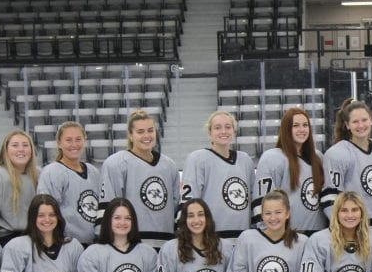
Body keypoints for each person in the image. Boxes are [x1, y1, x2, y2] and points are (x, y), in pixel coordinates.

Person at [99, 109, 180, 249]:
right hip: (131, 243)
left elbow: (175, 204)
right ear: (130, 135)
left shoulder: (169, 165)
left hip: (166, 244)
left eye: (150, 130)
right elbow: (110, 208)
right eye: (140, 132)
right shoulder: (116, 163)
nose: (147, 136)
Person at [320, 99, 372, 240]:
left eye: (364, 120)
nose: (361, 125)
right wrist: (345, 230)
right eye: (355, 122)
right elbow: (330, 198)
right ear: (347, 125)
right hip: (356, 232)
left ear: (371, 121)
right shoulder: (337, 153)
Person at [182, 111, 255, 241]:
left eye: (228, 127)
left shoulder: (245, 160)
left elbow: (251, 198)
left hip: (242, 238)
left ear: (234, 131)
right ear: (209, 132)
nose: (223, 131)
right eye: (217, 127)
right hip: (211, 239)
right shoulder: (197, 159)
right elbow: (189, 201)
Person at [252, 107, 325, 234]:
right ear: (286, 129)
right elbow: (262, 201)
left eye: (305, 125)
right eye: (295, 125)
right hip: (288, 236)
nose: (301, 130)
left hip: (317, 235)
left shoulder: (318, 157)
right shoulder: (273, 157)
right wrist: (270, 235)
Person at [37, 121, 102, 246]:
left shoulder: (93, 171)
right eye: (68, 140)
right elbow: (46, 211)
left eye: (78, 139)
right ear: (59, 143)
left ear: (85, 141)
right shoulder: (52, 172)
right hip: (65, 244)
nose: (74, 144)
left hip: (93, 244)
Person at [0, 130, 40, 245]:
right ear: (5, 150)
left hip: (34, 239)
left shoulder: (39, 175)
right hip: (5, 240)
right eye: (15, 145)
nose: (21, 149)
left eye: (25, 145)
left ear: (31, 151)